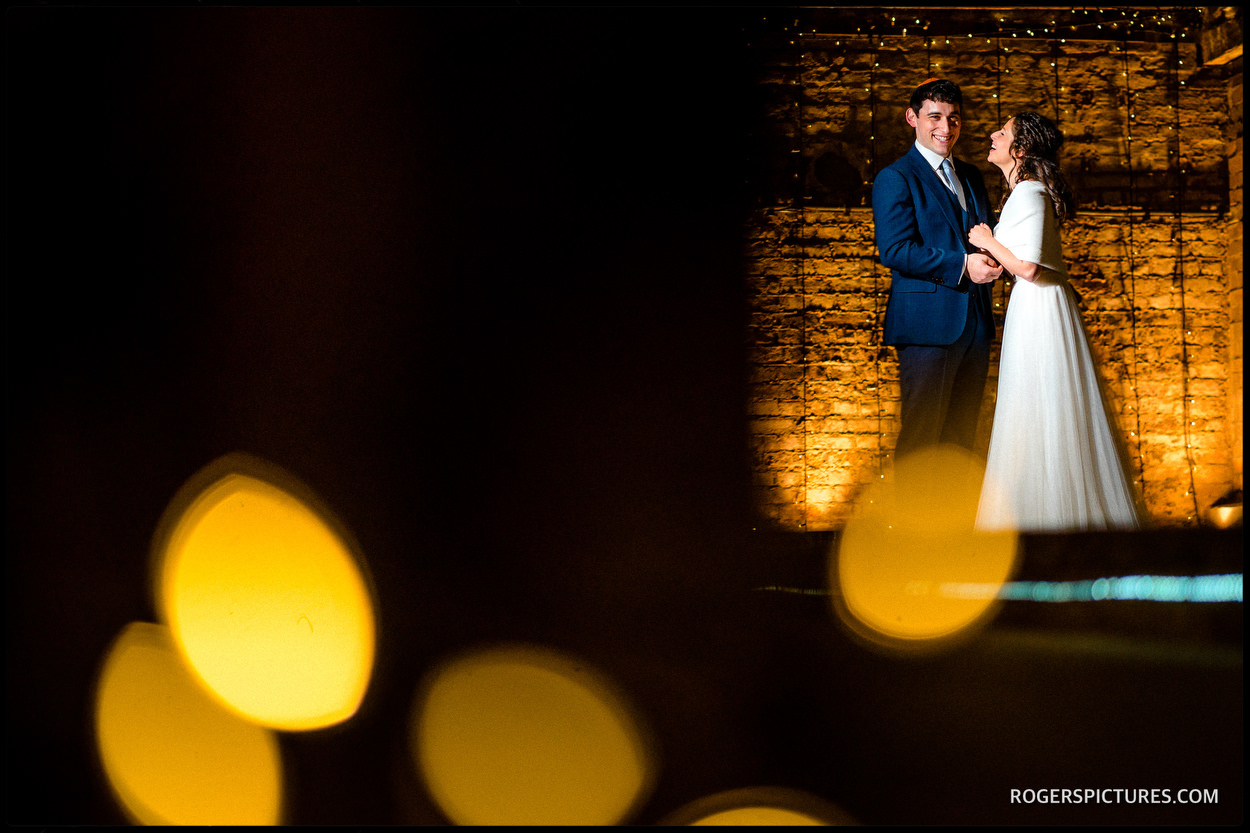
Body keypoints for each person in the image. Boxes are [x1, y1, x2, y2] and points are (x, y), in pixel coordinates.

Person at [968, 112, 1143, 531]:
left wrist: (987, 240)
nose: (993, 135)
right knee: (1034, 405)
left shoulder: (1028, 192)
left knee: (1040, 404)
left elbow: (1028, 268)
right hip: (1034, 306)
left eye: (1003, 132)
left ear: (1021, 149)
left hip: (1039, 308)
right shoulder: (1025, 192)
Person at [873, 79, 1003, 463]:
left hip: (976, 325)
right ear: (913, 118)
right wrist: (963, 264)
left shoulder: (972, 175)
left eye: (953, 118)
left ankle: (953, 522)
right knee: (922, 440)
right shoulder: (895, 177)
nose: (945, 128)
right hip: (927, 327)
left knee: (962, 441)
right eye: (935, 117)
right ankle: (913, 525)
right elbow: (895, 250)